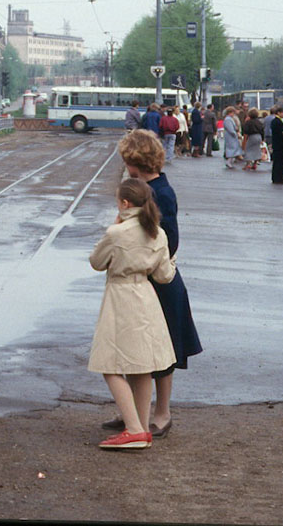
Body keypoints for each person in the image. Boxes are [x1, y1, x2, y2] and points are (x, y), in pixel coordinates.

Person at [109, 130, 202, 440]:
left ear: (135, 161)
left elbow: (169, 241)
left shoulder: (159, 192)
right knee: (138, 349)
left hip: (158, 282)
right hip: (142, 282)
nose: (123, 165)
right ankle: (135, 413)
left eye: (126, 160)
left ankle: (161, 414)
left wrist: (135, 255)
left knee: (163, 351)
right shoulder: (145, 188)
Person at [88, 177, 176, 450]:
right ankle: (140, 425)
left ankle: (135, 429)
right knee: (141, 367)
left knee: (110, 364)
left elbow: (96, 262)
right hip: (146, 298)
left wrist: (113, 227)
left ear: (125, 204)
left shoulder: (118, 233)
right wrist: (172, 262)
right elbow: (163, 276)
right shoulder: (157, 233)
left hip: (120, 298)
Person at [269, 106, 283, 185]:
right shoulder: (278, 122)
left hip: (277, 144)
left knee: (277, 162)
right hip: (280, 145)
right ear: (279, 113)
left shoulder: (275, 121)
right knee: (280, 162)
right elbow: (282, 133)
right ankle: (279, 178)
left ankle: (276, 178)